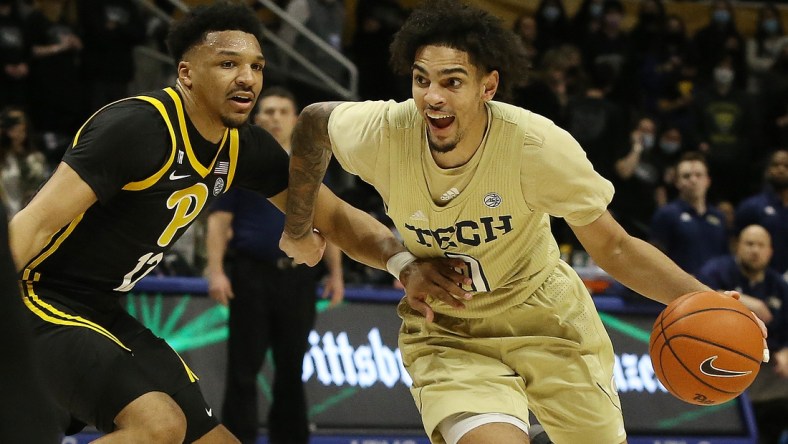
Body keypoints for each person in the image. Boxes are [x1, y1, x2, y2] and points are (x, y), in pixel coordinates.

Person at [277, 1, 768, 443]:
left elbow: (614, 248)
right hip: (451, 330)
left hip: (548, 320)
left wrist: (703, 299)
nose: (431, 97)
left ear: (487, 85)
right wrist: (300, 227)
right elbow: (313, 124)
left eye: (452, 81)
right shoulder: (384, 132)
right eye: (421, 79)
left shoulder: (537, 148)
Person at [9, 3, 460, 442]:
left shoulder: (244, 147)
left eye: (257, 66)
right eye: (228, 63)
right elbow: (34, 224)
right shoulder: (135, 127)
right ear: (186, 74)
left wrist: (404, 264)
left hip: (104, 309)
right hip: (38, 297)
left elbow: (336, 215)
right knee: (158, 425)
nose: (247, 78)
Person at [206, 86, 344, 444]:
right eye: (267, 111)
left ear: (296, 120)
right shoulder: (240, 162)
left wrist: (337, 274)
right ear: (256, 118)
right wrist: (216, 269)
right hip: (250, 274)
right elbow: (219, 220)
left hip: (298, 278)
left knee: (291, 368)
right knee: (243, 369)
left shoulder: (312, 166)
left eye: (283, 111)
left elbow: (328, 223)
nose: (274, 118)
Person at [696, 224, 788, 444]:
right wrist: (748, 302)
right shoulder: (716, 271)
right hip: (721, 362)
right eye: (749, 244)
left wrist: (786, 350)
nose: (754, 250)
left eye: (760, 245)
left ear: (770, 252)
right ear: (737, 246)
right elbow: (696, 293)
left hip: (768, 369)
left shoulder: (778, 285)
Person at [650, 151, 729, 275]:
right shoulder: (666, 214)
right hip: (680, 289)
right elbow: (655, 259)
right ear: (677, 182)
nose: (693, 180)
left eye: (698, 175)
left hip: (713, 289)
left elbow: (725, 259)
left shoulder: (719, 218)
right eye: (686, 176)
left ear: (708, 180)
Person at [735, 149, 788, 278]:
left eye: (786, 166)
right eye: (775, 165)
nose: (780, 169)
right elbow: (736, 244)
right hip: (759, 279)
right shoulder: (751, 206)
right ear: (767, 170)